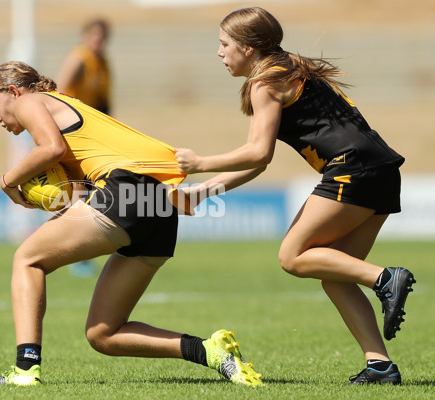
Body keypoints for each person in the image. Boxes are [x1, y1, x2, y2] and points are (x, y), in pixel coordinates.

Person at [0, 61, 263, 387]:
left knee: (27, 259)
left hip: (124, 191)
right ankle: (209, 351)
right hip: (158, 205)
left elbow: (50, 149)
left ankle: (25, 370)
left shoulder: (29, 101)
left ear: (13, 91)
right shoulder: (66, 103)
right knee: (103, 333)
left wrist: (8, 181)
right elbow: (76, 181)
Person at [175, 7, 416, 385]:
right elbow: (259, 162)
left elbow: (258, 153)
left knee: (292, 256)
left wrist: (200, 163)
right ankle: (380, 366)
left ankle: (385, 279)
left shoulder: (265, 83)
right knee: (333, 271)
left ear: (249, 48)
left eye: (224, 44)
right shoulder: (287, 65)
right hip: (381, 169)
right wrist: (205, 191)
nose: (219, 53)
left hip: (351, 168)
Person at [56, 18, 112, 278]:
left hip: (92, 135)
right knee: (80, 190)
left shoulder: (102, 64)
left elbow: (103, 104)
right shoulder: (79, 59)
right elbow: (59, 92)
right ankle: (73, 251)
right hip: (73, 132)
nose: (98, 41)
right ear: (85, 36)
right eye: (94, 36)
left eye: (102, 37)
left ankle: (79, 251)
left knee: (88, 190)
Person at [56, 18, 112, 115]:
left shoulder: (102, 62)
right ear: (85, 35)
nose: (98, 38)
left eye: (102, 35)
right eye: (94, 34)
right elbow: (59, 89)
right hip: (72, 115)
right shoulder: (78, 59)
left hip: (89, 117)